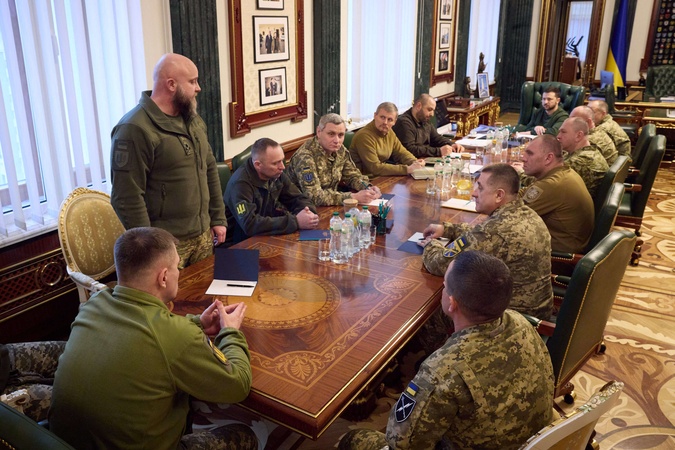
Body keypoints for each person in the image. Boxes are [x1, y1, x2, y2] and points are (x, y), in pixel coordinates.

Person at [49, 227, 257, 449]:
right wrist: (230, 331)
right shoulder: (176, 336)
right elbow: (238, 385)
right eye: (177, 266)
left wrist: (198, 323)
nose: (178, 271)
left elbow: (147, 330)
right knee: (244, 435)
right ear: (164, 277)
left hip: (59, 441)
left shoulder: (94, 304)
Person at [338, 251, 554, 450]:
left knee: (355, 439)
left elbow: (402, 444)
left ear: (452, 303)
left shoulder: (441, 371)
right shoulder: (521, 322)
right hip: (536, 440)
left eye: (444, 286)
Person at [110, 53, 227, 269]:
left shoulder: (192, 119)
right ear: (171, 84)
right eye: (192, 81)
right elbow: (126, 197)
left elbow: (209, 168)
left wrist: (218, 218)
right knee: (171, 294)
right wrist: (152, 248)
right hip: (167, 245)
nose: (199, 88)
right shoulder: (134, 128)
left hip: (203, 235)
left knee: (204, 289)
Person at [420, 163, 553, 319]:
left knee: (429, 315)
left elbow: (439, 264)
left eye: (480, 188)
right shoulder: (524, 213)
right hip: (536, 310)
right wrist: (448, 229)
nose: (474, 193)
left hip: (509, 319)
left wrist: (430, 244)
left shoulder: (495, 232)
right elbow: (479, 233)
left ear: (499, 195)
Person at [224, 138, 319, 245]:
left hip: (265, 236)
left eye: (282, 160)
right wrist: (296, 221)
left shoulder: (275, 173)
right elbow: (249, 224)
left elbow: (297, 198)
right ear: (258, 165)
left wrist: (308, 213)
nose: (282, 167)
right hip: (238, 245)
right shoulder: (240, 184)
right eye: (275, 163)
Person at [516, 135, 594, 253]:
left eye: (530, 154)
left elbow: (510, 213)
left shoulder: (553, 184)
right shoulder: (562, 173)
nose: (523, 158)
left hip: (560, 254)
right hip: (564, 242)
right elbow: (525, 193)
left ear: (548, 158)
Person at [287, 113, 382, 206]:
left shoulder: (340, 150)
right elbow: (313, 196)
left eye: (340, 135)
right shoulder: (305, 157)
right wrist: (353, 197)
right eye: (331, 134)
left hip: (330, 205)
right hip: (301, 209)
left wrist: (368, 188)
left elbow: (352, 176)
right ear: (319, 132)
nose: (337, 140)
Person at [350, 102, 426, 177]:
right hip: (364, 180)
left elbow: (401, 152)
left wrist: (415, 162)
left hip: (381, 176)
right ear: (375, 116)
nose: (385, 122)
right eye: (382, 117)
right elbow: (375, 168)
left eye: (390, 119)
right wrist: (407, 169)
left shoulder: (389, 132)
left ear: (394, 122)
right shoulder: (364, 136)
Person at [392, 94, 464, 158]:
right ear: (419, 106)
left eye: (433, 110)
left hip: (422, 160)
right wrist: (438, 151)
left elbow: (436, 138)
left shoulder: (424, 119)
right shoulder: (404, 123)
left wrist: (452, 144)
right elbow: (410, 149)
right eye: (429, 110)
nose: (432, 114)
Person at [557, 117, 609, 199]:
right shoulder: (588, 152)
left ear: (578, 136)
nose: (558, 136)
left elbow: (547, 184)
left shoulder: (580, 161)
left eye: (563, 132)